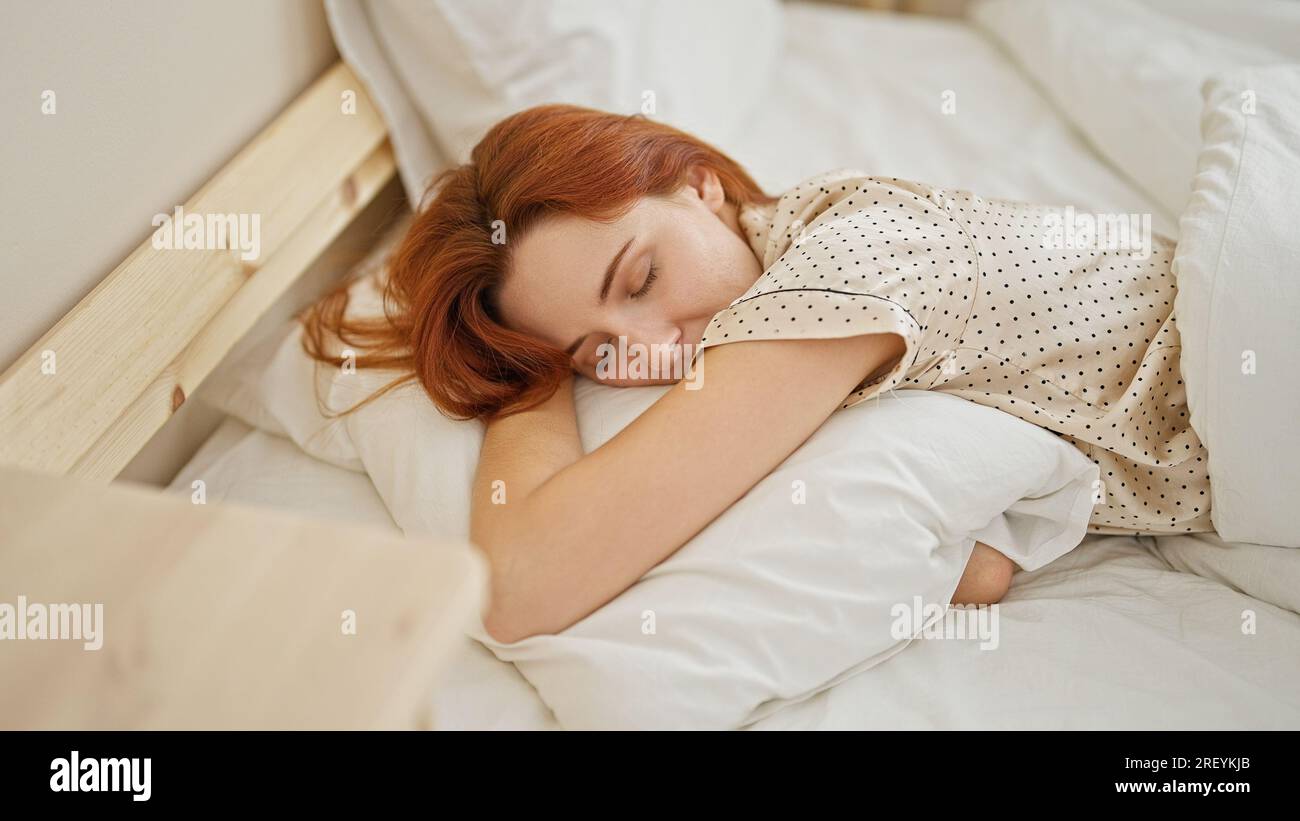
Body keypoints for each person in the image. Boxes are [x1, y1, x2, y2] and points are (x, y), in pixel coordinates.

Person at [302, 104, 1209, 643]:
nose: (655, 350)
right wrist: (540, 361)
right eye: (600, 356)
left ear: (699, 186)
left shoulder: (846, 267)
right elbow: (973, 569)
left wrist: (527, 387)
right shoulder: (812, 311)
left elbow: (516, 586)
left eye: (641, 277)